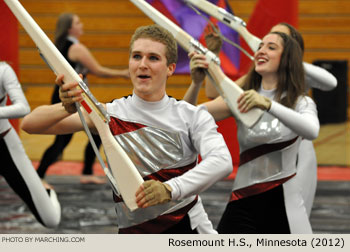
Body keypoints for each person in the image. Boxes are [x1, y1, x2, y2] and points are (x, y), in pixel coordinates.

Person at [22, 24, 232, 234]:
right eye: (136, 56)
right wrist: (66, 107)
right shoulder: (108, 114)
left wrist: (170, 189)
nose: (142, 64)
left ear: (171, 68)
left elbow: (222, 161)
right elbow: (30, 124)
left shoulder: (192, 115)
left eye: (153, 58)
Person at [198, 22, 337, 217]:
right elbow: (215, 94)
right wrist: (213, 55)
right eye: (265, 41)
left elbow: (331, 82)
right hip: (257, 166)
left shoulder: (302, 77)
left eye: (276, 43)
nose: (262, 46)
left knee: (295, 216)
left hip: (295, 155)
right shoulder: (256, 79)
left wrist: (290, 59)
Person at [37, 13, 129, 186]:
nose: (82, 25)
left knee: (95, 130)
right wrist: (123, 74)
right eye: (78, 22)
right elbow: (98, 70)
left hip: (68, 94)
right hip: (72, 97)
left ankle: (85, 171)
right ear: (70, 28)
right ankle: (39, 176)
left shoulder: (61, 45)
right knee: (66, 139)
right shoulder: (75, 48)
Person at [0, 61, 61, 228]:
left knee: (50, 219)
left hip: (5, 145)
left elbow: (23, 107)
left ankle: (47, 192)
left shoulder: (3, 70)